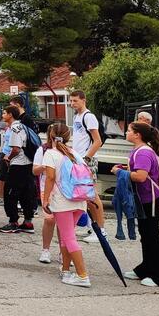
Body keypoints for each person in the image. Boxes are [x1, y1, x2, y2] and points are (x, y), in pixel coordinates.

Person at [112, 122, 159, 287]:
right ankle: (145, 268)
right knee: (146, 234)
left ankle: (158, 276)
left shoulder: (143, 152)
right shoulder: (139, 150)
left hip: (150, 199)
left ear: (137, 135)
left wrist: (120, 172)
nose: (126, 132)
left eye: (129, 130)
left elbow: (141, 177)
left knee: (152, 235)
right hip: (144, 198)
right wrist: (124, 169)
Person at [40, 122, 91, 288]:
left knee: (68, 238)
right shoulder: (74, 153)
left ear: (51, 136)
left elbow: (50, 178)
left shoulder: (51, 154)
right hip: (79, 199)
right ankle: (65, 270)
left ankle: (83, 275)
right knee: (66, 235)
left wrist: (46, 199)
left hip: (62, 201)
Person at [70, 91, 107, 243]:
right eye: (71, 101)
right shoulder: (76, 116)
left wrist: (86, 158)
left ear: (83, 100)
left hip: (87, 161)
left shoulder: (88, 116)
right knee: (85, 196)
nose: (72, 104)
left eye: (75, 101)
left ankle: (101, 230)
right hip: (78, 160)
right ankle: (93, 227)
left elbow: (97, 141)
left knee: (92, 196)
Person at [0, 106, 36, 234]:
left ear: (10, 115)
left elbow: (16, 149)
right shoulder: (23, 126)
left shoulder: (14, 128)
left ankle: (13, 221)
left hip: (18, 164)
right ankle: (28, 221)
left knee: (10, 193)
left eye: (4, 112)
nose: (3, 115)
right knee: (27, 193)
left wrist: (8, 158)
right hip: (28, 163)